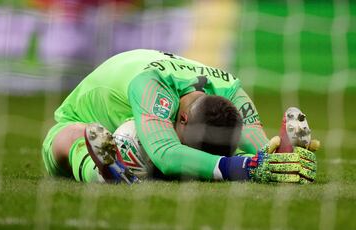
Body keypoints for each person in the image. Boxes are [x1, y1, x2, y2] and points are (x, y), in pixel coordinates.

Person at [42, 49, 317, 184]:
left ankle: (121, 163)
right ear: (182, 118)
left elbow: (256, 139)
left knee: (147, 155)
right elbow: (166, 153)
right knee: (66, 137)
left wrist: (278, 158)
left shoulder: (230, 88)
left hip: (136, 125)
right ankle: (102, 173)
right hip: (82, 119)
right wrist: (245, 167)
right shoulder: (153, 85)